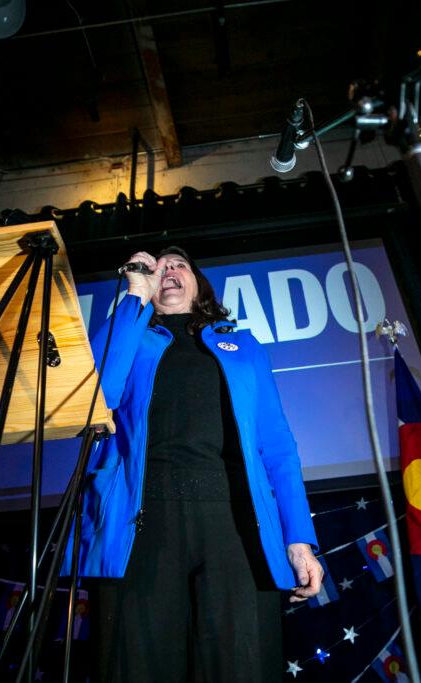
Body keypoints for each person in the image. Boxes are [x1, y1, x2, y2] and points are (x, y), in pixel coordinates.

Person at [65, 246, 323, 682]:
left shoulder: (243, 347)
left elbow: (278, 446)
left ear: (199, 284)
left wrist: (299, 539)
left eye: (179, 265)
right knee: (138, 664)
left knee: (240, 663)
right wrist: (135, 295)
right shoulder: (130, 335)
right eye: (159, 267)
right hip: (140, 519)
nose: (168, 270)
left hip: (232, 520)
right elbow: (98, 398)